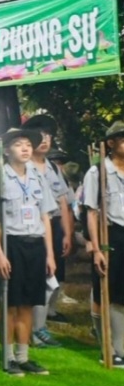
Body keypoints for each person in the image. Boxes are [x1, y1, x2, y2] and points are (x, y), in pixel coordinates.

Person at [0, 128, 56, 377]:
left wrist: (50, 254)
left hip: (35, 244)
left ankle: (24, 357)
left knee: (28, 304)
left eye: (28, 144)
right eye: (18, 144)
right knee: (9, 303)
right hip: (11, 244)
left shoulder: (37, 177)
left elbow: (45, 216)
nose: (25, 148)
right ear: (6, 150)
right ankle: (8, 356)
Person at [22, 114, 74, 347]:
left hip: (53, 226)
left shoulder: (53, 167)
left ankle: (40, 327)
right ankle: (30, 329)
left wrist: (67, 233)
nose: (45, 140)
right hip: (31, 227)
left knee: (50, 278)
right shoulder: (23, 166)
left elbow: (63, 202)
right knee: (35, 279)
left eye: (48, 136)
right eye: (39, 136)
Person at [84, 121, 124, 368]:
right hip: (110, 233)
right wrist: (96, 247)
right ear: (111, 143)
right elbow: (90, 211)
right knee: (105, 290)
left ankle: (120, 347)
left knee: (122, 294)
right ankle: (105, 347)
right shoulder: (97, 172)